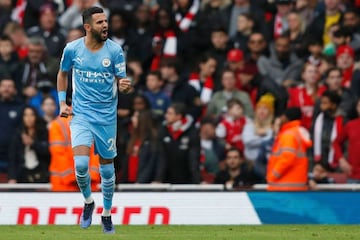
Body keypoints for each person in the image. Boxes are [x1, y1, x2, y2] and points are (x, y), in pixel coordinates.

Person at [57, 7, 131, 234]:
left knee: (106, 171)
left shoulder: (115, 51)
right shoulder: (72, 49)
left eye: (106, 21)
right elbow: (62, 74)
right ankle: (89, 201)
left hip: (107, 117)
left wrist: (124, 86)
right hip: (81, 115)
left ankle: (106, 214)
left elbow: (121, 80)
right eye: (99, 22)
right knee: (80, 165)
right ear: (87, 27)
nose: (105, 25)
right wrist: (62, 103)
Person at [266, 107, 312, 191]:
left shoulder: (288, 135)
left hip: (284, 186)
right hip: (294, 184)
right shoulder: (296, 133)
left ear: (285, 117)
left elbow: (287, 158)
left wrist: (273, 175)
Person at [8, 106, 50, 183]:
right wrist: (12, 177)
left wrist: (33, 143)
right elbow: (13, 158)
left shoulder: (43, 132)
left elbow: (48, 152)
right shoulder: (18, 134)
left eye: (31, 115)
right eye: (26, 115)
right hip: (22, 175)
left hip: (41, 175)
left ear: (36, 116)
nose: (29, 118)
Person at [333, 99, 360, 183]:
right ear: (357, 108)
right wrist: (341, 160)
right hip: (353, 175)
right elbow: (336, 142)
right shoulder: (350, 125)